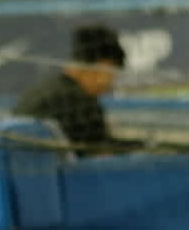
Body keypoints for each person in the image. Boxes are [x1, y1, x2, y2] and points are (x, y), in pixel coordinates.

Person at [12, 25, 138, 155]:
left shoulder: (44, 90)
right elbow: (99, 152)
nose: (109, 85)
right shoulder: (78, 101)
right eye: (111, 75)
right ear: (101, 66)